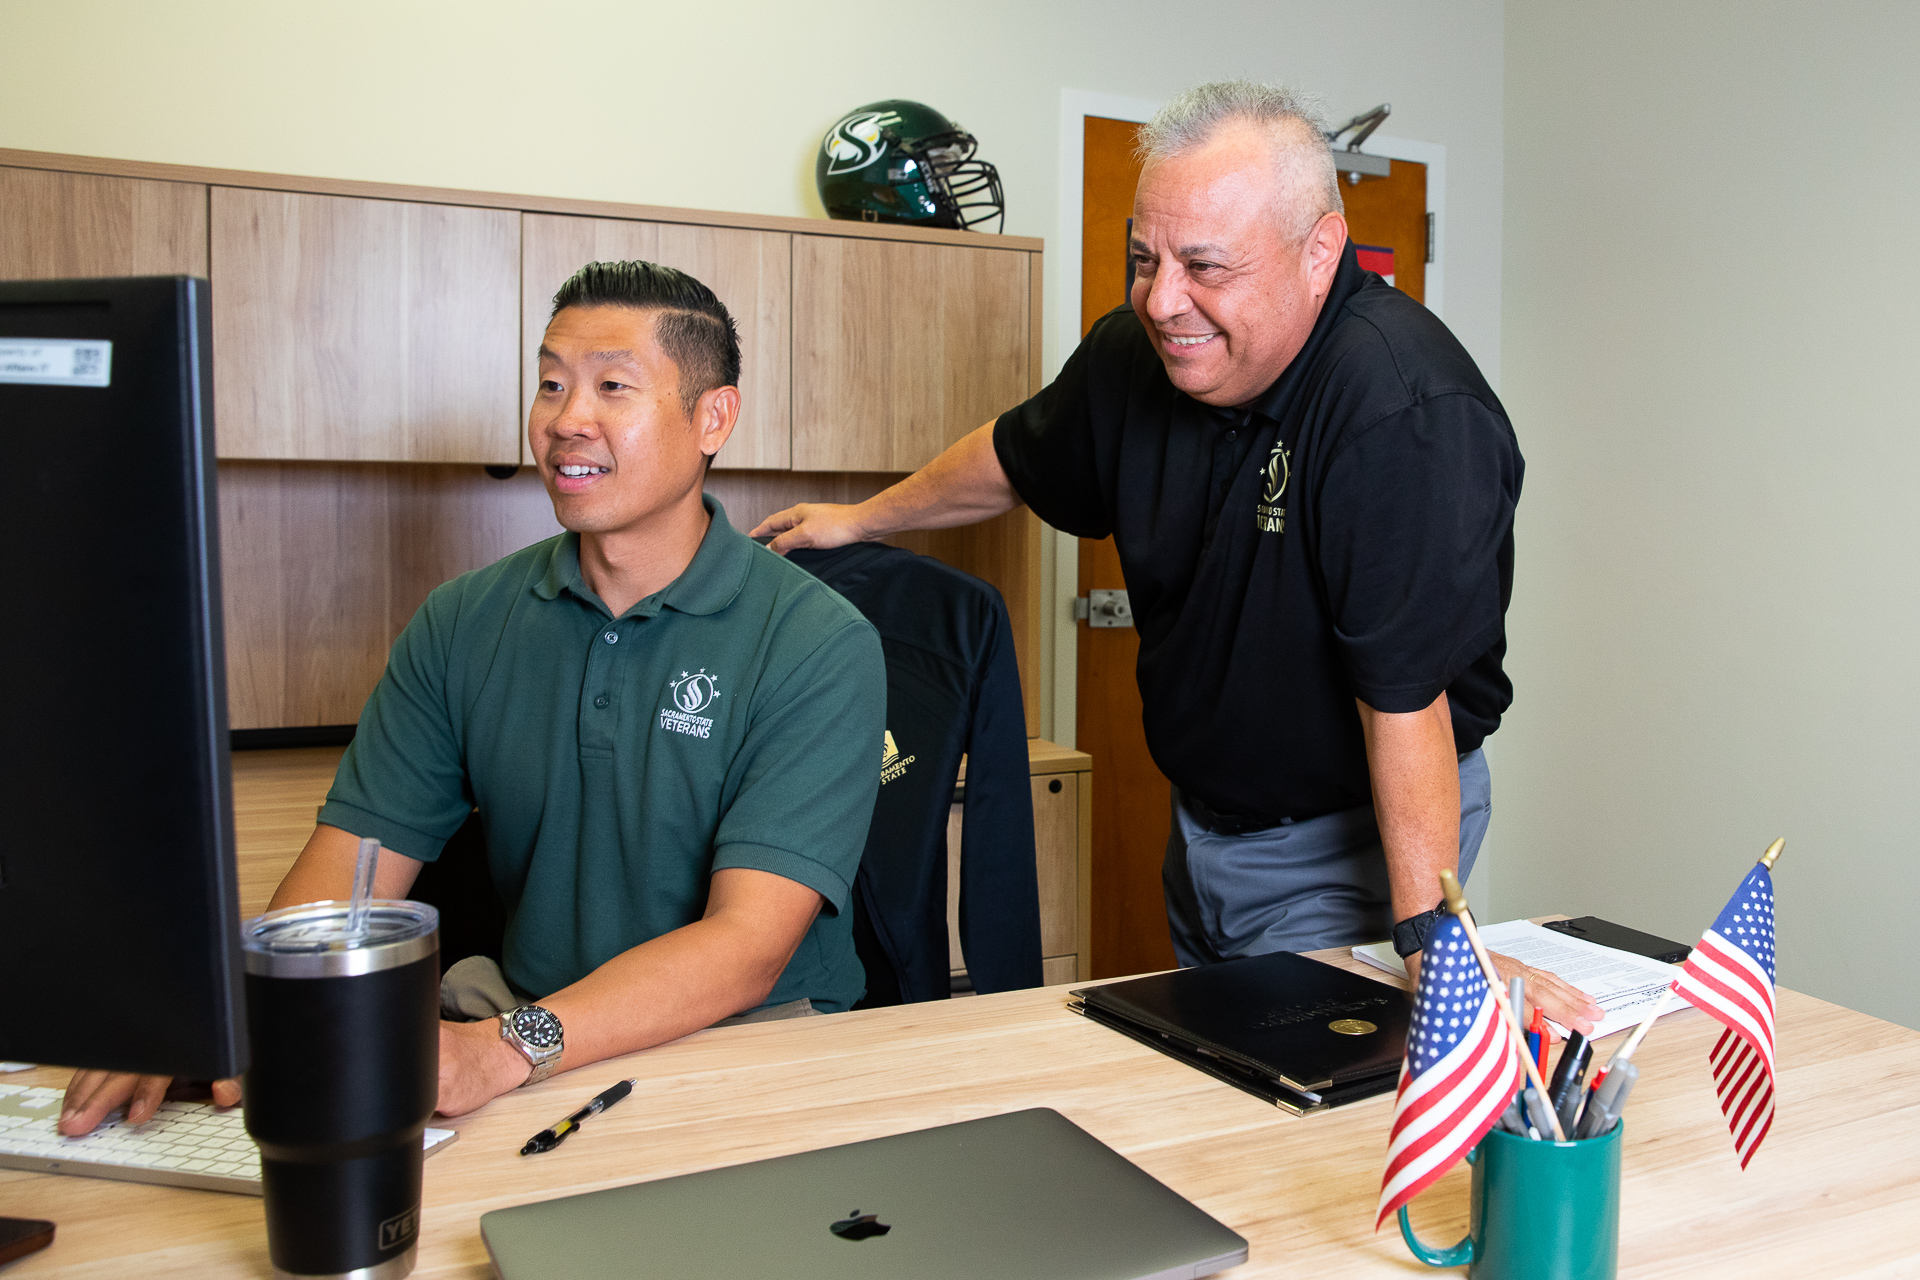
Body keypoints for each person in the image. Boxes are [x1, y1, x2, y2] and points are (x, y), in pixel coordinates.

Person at [755, 81, 1603, 1032]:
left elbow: (1406, 698)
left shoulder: (1400, 413)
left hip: (1344, 838)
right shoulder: (1141, 355)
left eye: (1204, 266)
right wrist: (866, 518)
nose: (1163, 301)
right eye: (1143, 259)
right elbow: (1017, 453)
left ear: (1319, 254)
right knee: (1222, 1069)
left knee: (1298, 1104)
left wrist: (1434, 942)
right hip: (1204, 822)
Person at [61, 261, 886, 1135]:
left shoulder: (817, 642)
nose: (568, 420)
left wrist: (505, 1047)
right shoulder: (464, 620)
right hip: (524, 1020)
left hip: (751, 1043)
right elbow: (350, 875)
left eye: (613, 386)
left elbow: (746, 951)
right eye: (551, 384)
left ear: (712, 417)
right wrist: (222, 1015)